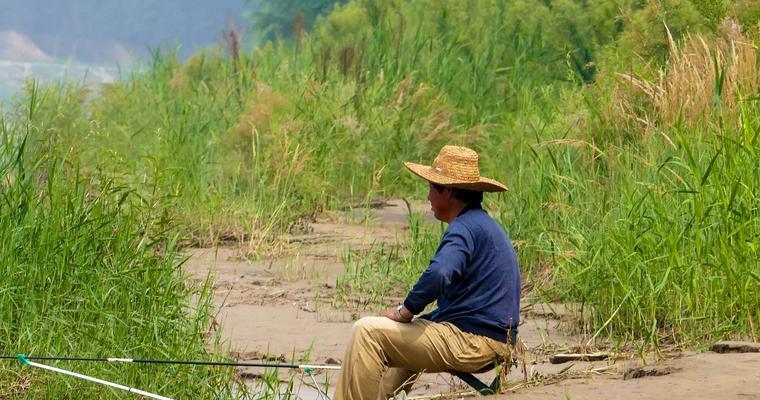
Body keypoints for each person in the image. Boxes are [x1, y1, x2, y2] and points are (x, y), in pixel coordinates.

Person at [334, 145, 521, 400]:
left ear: (450, 192)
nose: (428, 196)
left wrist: (405, 310)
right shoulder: (483, 225)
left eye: (432, 187)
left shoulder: (463, 229)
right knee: (405, 330)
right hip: (493, 341)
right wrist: (413, 319)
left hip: (475, 343)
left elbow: (439, 274)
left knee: (366, 332)